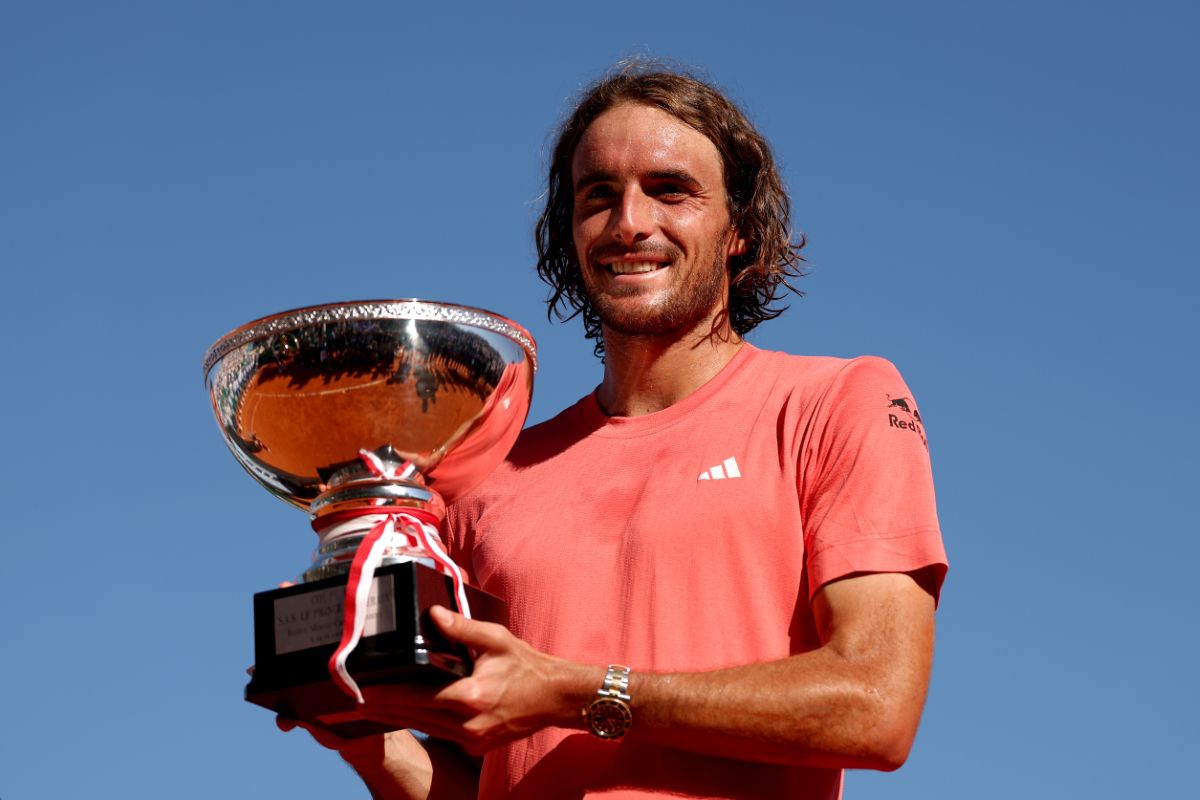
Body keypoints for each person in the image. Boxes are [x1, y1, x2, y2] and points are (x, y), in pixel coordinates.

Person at [284, 63, 948, 799]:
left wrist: (577, 692)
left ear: (740, 229)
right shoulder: (486, 478)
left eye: (670, 190)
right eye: (598, 195)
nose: (629, 222)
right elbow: (478, 781)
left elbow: (877, 705)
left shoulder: (835, 402)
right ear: (569, 231)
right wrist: (366, 737)